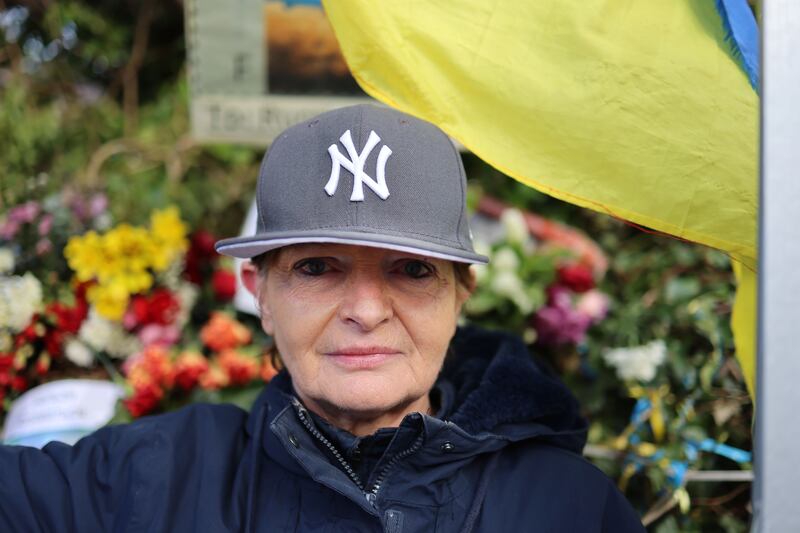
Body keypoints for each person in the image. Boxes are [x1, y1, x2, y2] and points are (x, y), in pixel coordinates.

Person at [0, 104, 644, 532]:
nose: (365, 311)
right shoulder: (149, 481)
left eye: (412, 269)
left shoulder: (571, 510)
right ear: (261, 294)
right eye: (316, 268)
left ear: (460, 294)